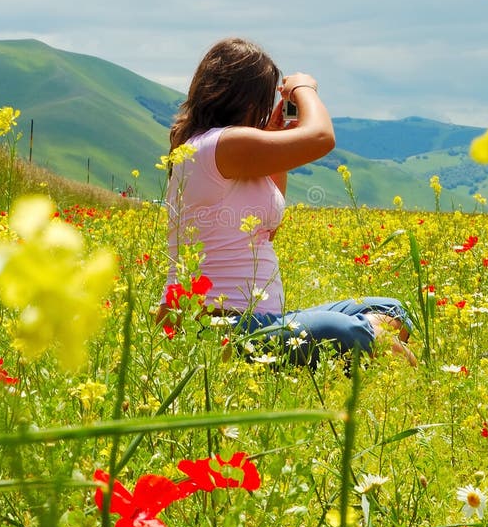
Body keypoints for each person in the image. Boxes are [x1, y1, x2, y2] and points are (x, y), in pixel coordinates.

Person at [158, 37, 416, 368]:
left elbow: (267, 230)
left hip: (264, 323)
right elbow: (322, 137)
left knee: (394, 309)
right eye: (263, 101)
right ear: (243, 99)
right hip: (219, 328)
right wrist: (304, 90)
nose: (265, 110)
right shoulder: (218, 144)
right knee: (341, 330)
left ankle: (368, 338)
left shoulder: (229, 152)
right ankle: (369, 340)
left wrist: (276, 133)